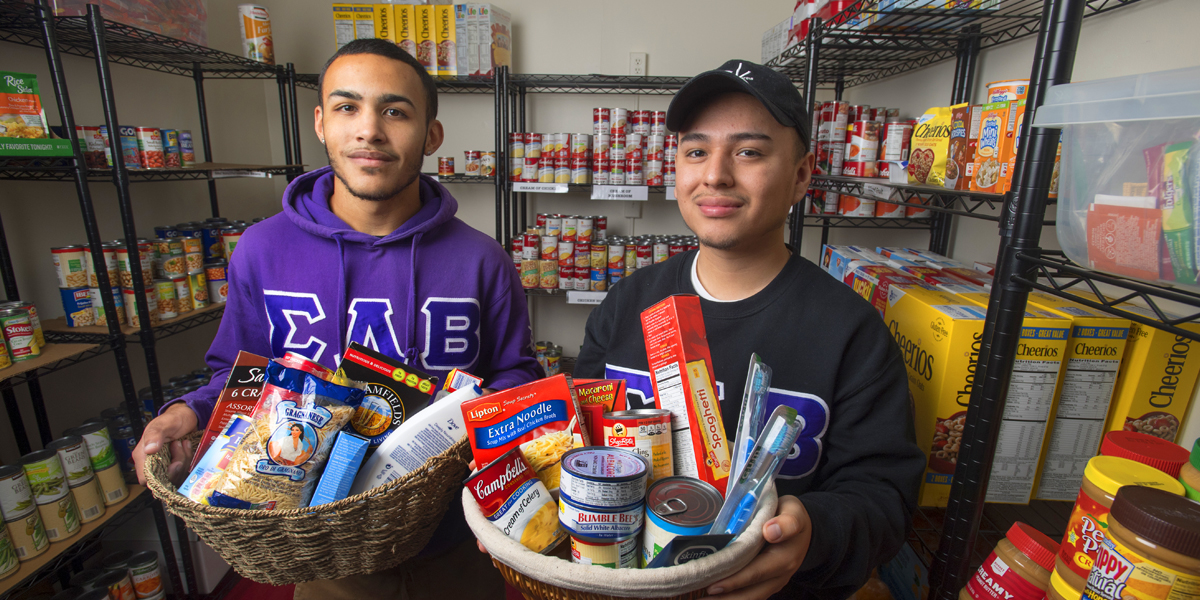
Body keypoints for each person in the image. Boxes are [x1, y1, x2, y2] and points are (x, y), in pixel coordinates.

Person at [132, 38, 542, 599]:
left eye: (395, 111)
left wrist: (483, 419)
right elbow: (241, 377)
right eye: (348, 107)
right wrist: (189, 411)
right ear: (321, 123)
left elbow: (518, 374)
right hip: (327, 557)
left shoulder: (482, 259)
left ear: (432, 135)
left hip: (459, 544)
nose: (369, 130)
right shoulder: (261, 251)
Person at [574, 60, 925, 600]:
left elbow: (883, 498)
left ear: (802, 175)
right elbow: (582, 442)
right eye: (696, 152)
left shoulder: (851, 332)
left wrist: (812, 533)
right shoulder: (628, 303)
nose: (715, 175)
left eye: (749, 152)